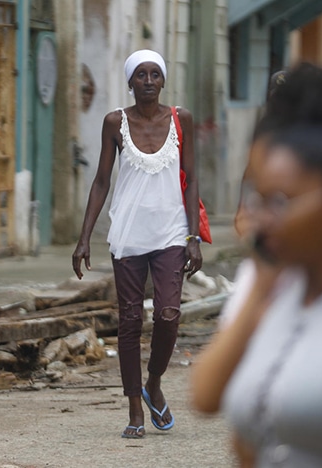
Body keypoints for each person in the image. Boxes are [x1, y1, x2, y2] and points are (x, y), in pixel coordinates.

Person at [190, 64, 322, 467]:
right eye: (258, 199)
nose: (262, 219)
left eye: (281, 202)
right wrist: (262, 290)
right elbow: (206, 396)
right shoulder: (269, 284)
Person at [72, 49, 201, 439]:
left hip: (170, 234)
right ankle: (134, 408)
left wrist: (193, 237)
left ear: (163, 81)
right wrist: (83, 239)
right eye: (140, 75)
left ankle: (155, 382)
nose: (148, 80)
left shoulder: (182, 120)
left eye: (154, 74)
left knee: (168, 314)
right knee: (129, 321)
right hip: (127, 235)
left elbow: (191, 178)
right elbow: (101, 182)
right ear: (130, 82)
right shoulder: (115, 122)